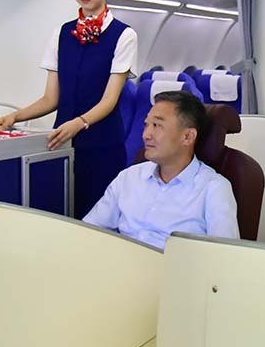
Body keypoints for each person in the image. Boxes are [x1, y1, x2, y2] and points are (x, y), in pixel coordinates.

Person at [0, 0, 137, 218]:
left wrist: (79, 123)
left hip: (102, 146)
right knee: (62, 218)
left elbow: (109, 100)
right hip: (61, 144)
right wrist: (15, 116)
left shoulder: (124, 35)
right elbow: (51, 99)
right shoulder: (61, 34)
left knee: (97, 223)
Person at [83, 91, 239, 249]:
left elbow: (225, 256)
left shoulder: (213, 189)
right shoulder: (129, 177)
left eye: (157, 125)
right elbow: (90, 230)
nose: (146, 135)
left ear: (187, 136)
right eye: (146, 125)